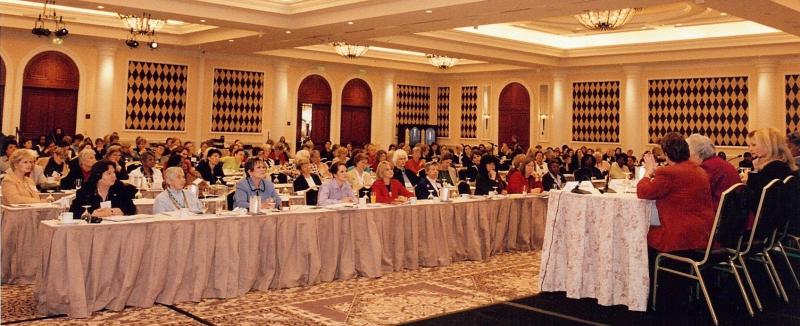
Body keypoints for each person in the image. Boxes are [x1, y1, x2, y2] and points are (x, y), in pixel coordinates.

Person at [637, 132, 715, 252]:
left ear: (667, 154)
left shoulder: (669, 173)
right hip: (704, 234)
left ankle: (652, 270)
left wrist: (648, 172)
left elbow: (643, 192)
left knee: (640, 234)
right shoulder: (699, 170)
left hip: (681, 237)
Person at [744, 128, 798, 214]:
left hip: (768, 221)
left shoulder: (773, 168)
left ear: (768, 145)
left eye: (754, 145)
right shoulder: (782, 164)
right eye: (749, 146)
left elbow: (755, 202)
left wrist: (750, 178)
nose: (750, 149)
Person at [686, 134, 740, 209]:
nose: (687, 160)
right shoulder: (720, 163)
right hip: (736, 213)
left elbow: (695, 195)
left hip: (720, 215)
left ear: (698, 155)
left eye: (688, 156)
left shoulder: (706, 168)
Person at [69, 160, 137, 218]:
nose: (113, 176)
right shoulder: (86, 189)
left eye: (114, 172)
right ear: (98, 175)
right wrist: (93, 213)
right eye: (109, 173)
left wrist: (115, 211)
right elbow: (74, 211)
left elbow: (132, 209)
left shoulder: (119, 187)